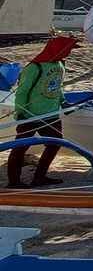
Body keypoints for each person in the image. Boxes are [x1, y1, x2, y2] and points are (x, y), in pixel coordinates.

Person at [6, 37, 78, 188]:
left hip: (51, 115)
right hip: (29, 116)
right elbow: (22, 92)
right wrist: (21, 112)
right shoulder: (34, 67)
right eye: (67, 50)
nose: (69, 53)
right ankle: (14, 182)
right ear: (57, 49)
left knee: (54, 144)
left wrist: (63, 102)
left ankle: (39, 177)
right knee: (20, 148)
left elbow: (58, 87)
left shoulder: (60, 64)